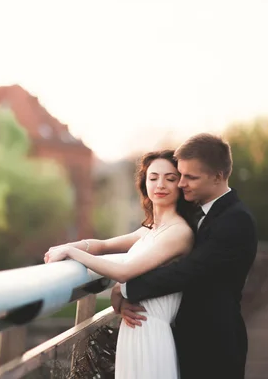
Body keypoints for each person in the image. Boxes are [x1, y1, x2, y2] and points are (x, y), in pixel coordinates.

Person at [112, 133, 258, 379]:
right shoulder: (197, 214)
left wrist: (125, 288)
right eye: (180, 175)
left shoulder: (236, 220)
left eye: (190, 177)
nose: (180, 184)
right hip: (184, 337)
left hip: (215, 344)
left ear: (218, 176)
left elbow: (188, 272)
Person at [45, 149, 196, 379]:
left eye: (170, 178)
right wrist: (69, 246)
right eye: (153, 178)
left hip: (152, 335)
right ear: (145, 183)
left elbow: (124, 272)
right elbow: (104, 245)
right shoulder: (150, 230)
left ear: (181, 184)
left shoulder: (179, 232)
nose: (160, 184)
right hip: (133, 330)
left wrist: (71, 252)